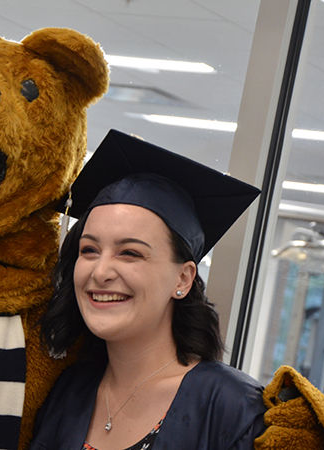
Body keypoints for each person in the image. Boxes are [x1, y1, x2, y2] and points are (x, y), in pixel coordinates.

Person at [30, 129, 265, 450]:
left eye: (130, 253)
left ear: (183, 279)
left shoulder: (234, 408)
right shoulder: (69, 393)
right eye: (89, 250)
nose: (100, 272)